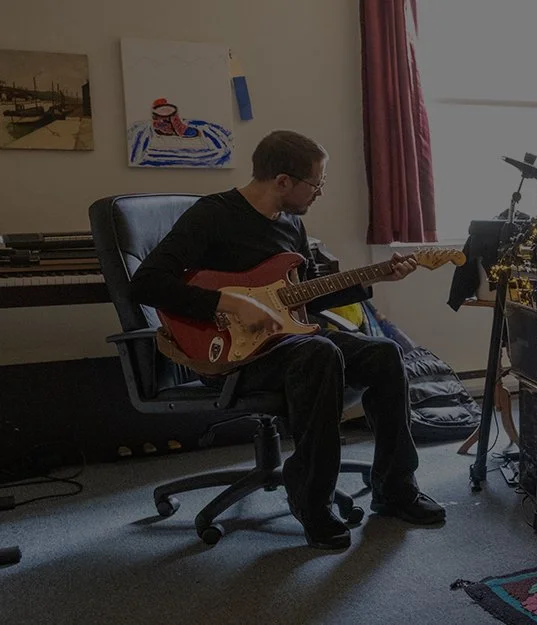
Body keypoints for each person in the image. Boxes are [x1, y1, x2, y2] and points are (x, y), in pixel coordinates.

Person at [130, 130, 444, 550]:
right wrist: (229, 302)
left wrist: (373, 278)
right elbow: (146, 284)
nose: (319, 192)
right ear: (282, 181)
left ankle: (395, 489)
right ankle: (312, 502)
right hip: (229, 356)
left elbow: (307, 292)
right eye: (316, 183)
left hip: (290, 344)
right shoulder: (212, 216)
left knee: (384, 353)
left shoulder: (292, 226)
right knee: (320, 351)